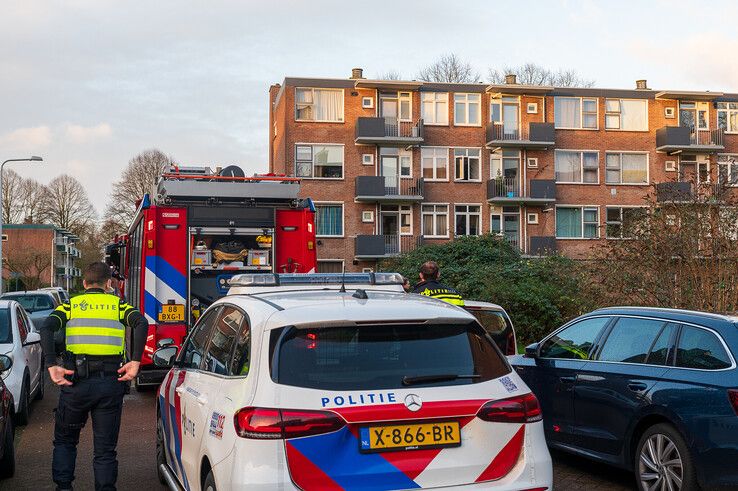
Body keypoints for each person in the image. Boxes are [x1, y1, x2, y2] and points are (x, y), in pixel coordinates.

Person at [40, 262, 148, 491]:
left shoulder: (71, 305)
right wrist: (135, 362)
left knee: (65, 441)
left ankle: (64, 487)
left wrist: (51, 364)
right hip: (110, 384)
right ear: (109, 284)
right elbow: (141, 322)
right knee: (105, 450)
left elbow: (47, 327)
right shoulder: (119, 305)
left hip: (74, 384)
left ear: (84, 283)